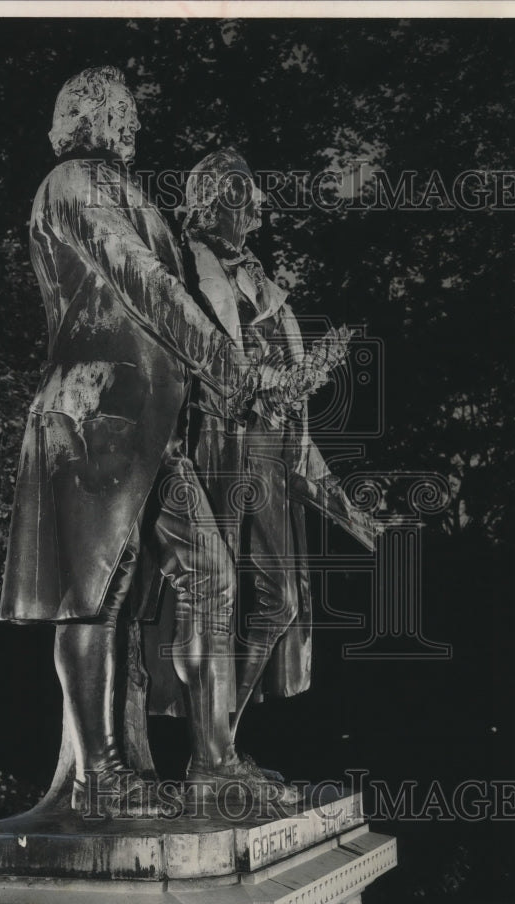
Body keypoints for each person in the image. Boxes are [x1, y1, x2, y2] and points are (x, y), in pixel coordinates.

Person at [0, 69, 310, 816]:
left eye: (133, 114)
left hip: (150, 425)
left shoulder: (134, 195)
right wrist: (232, 366)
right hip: (92, 414)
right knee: (95, 598)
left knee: (211, 575)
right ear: (84, 116)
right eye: (120, 112)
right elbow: (145, 284)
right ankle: (95, 777)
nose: (130, 125)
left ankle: (213, 763)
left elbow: (178, 301)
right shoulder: (72, 183)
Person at [180, 148, 372, 796]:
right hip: (208, 450)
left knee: (281, 602)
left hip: (265, 458)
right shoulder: (182, 265)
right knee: (210, 599)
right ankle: (212, 758)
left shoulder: (269, 291)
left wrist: (351, 512)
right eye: (247, 198)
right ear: (213, 200)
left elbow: (299, 426)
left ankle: (220, 744)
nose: (259, 211)